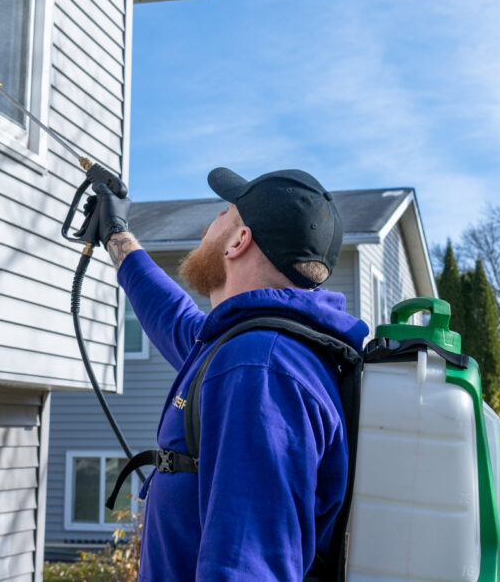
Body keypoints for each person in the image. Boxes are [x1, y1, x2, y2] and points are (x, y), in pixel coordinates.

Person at [88, 167, 369, 581]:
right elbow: (175, 318)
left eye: (224, 213)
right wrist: (116, 235)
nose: (210, 225)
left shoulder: (257, 370)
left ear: (239, 240)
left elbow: (246, 568)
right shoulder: (245, 347)